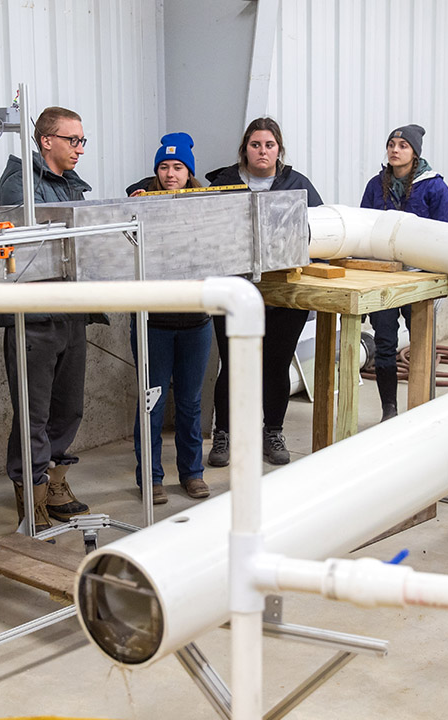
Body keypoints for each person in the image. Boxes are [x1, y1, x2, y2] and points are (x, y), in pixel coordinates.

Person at [0, 106, 99, 533]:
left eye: (81, 140)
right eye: (71, 140)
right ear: (45, 141)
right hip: (34, 316)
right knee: (33, 414)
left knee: (68, 407)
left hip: (70, 310)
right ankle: (31, 493)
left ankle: (54, 482)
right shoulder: (21, 183)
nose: (79, 149)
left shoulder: (70, 185)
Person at [205, 117, 323, 466]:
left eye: (269, 145)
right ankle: (223, 435)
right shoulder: (224, 183)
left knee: (275, 366)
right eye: (255, 145)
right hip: (234, 293)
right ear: (245, 149)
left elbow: (320, 230)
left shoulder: (296, 184)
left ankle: (272, 431)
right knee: (233, 365)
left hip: (285, 296)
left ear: (279, 150)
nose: (262, 151)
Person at [124, 133, 212, 504]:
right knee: (152, 401)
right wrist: (129, 213)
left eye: (178, 167)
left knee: (190, 402)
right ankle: (151, 477)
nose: (170, 174)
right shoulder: (137, 202)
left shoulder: (208, 205)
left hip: (195, 321)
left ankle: (192, 473)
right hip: (153, 322)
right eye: (164, 166)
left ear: (189, 171)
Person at [358, 124, 448, 420]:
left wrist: (437, 277)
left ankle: (423, 408)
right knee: (385, 343)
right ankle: (389, 409)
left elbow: (445, 235)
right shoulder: (376, 185)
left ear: (414, 153)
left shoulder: (434, 186)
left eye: (402, 146)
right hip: (385, 276)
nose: (395, 150)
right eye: (391, 144)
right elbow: (363, 225)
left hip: (419, 279)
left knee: (422, 343)